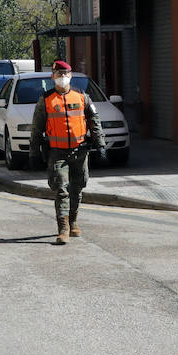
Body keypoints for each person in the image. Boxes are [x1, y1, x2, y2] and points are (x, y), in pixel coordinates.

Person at [29, 59, 105, 245]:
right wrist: (34, 152)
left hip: (80, 151)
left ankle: (73, 222)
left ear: (70, 76)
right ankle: (62, 229)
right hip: (57, 152)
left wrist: (101, 145)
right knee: (61, 190)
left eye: (65, 74)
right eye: (58, 74)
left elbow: (95, 121)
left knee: (77, 188)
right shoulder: (46, 100)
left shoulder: (82, 97)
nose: (62, 77)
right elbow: (37, 128)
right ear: (52, 76)